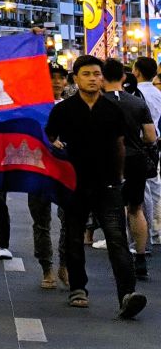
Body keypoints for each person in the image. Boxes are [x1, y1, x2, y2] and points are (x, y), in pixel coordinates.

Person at [46, 56, 146, 318]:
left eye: (96, 74)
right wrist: (55, 153)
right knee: (74, 237)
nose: (92, 79)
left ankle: (127, 294)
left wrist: (119, 177)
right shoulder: (64, 110)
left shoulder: (113, 110)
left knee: (117, 238)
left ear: (102, 78)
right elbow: (49, 137)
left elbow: (120, 144)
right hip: (74, 184)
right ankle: (78, 288)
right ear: (76, 78)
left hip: (107, 184)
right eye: (87, 74)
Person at [102, 58, 157, 281]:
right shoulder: (137, 103)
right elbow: (151, 136)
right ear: (124, 77)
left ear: (102, 77)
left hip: (108, 161)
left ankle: (120, 257)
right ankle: (141, 257)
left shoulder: (98, 103)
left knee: (112, 210)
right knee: (136, 208)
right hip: (135, 159)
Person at [29, 63, 72, 290]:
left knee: (69, 220)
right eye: (51, 77)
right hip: (39, 170)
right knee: (41, 222)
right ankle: (46, 267)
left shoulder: (72, 106)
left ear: (66, 81)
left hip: (65, 170)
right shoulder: (34, 106)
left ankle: (65, 264)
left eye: (60, 77)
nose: (56, 81)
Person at [131, 57, 161, 251]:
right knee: (155, 187)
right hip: (155, 143)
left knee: (142, 194)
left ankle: (143, 236)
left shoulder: (136, 93)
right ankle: (156, 233)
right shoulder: (158, 93)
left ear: (137, 72)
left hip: (139, 143)